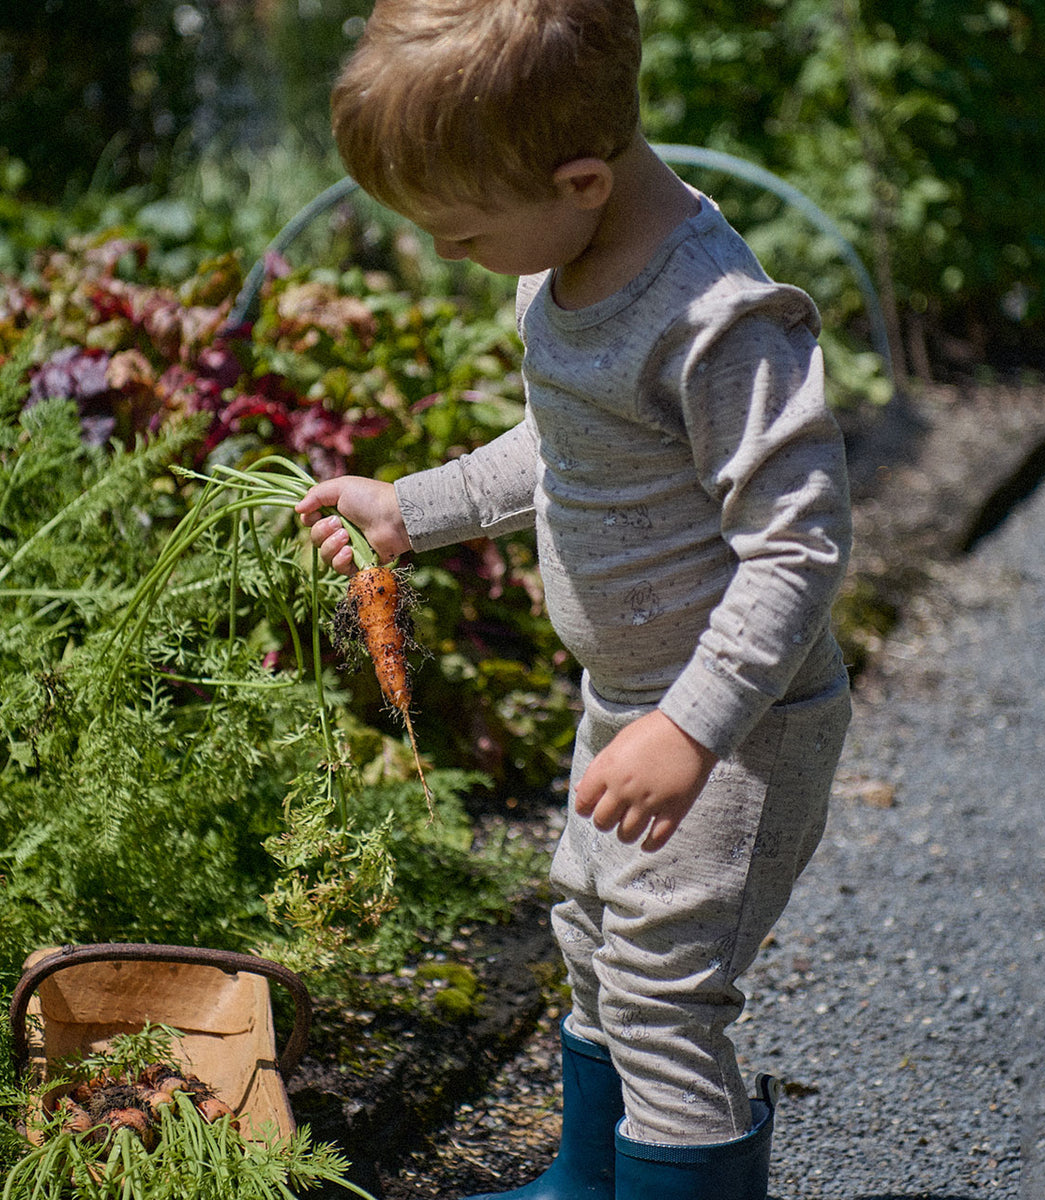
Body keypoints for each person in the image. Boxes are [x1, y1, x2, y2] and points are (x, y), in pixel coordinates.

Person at [295, 1, 853, 1196]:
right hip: (633, 704)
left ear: (584, 177)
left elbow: (799, 549)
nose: (454, 257)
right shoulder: (564, 261)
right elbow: (568, 444)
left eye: (462, 235)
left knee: (665, 989)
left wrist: (691, 726)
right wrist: (415, 508)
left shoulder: (718, 323)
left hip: (734, 729)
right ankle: (587, 1179)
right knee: (592, 940)